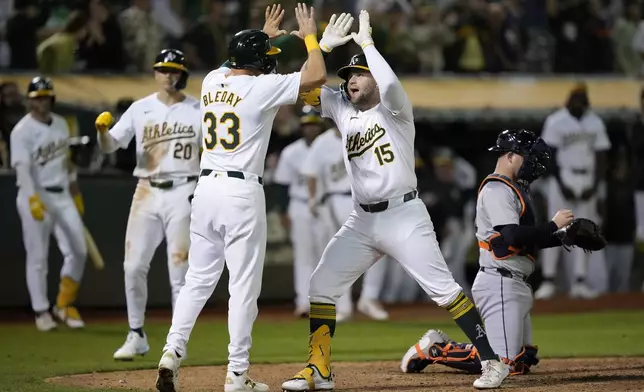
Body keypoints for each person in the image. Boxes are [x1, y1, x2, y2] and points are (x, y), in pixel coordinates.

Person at [282, 10, 510, 391]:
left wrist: (368, 45)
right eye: (348, 76)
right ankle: (319, 370)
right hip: (361, 220)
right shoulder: (341, 107)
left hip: (403, 215)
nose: (351, 80)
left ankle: (492, 361)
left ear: (373, 74)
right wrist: (318, 47)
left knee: (445, 291)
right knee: (321, 285)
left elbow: (389, 84)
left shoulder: (395, 109)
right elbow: (299, 89)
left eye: (359, 74)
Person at [154, 4, 328, 392]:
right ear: (258, 63)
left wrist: (269, 37)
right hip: (240, 192)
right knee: (243, 287)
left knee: (196, 281)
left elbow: (236, 59)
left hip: (205, 190)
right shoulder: (261, 87)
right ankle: (236, 374)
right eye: (266, 57)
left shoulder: (212, 81)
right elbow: (316, 74)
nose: (271, 62)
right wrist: (310, 36)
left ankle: (171, 352)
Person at [400, 129, 566, 379]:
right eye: (528, 157)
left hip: (515, 281)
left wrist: (563, 238)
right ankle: (435, 349)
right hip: (500, 281)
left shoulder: (514, 188)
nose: (533, 164)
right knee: (502, 362)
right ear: (510, 156)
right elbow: (510, 237)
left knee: (523, 360)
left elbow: (522, 242)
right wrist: (553, 226)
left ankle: (457, 349)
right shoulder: (497, 189)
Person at [94, 48, 201, 361]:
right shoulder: (140, 109)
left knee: (178, 270)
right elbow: (112, 145)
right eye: (163, 69)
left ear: (182, 74)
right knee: (133, 266)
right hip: (147, 190)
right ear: (155, 73)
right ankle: (136, 333)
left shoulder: (197, 109)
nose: (168, 75)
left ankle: (176, 342)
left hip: (184, 188)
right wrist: (102, 132)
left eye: (174, 69)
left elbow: (211, 150)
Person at [10, 76, 88, 331]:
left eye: (46, 97)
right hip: (36, 195)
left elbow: (67, 163)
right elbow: (22, 169)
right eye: (37, 98)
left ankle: (64, 304)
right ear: (30, 101)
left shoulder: (62, 124)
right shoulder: (21, 131)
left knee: (78, 250)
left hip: (62, 193)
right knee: (38, 257)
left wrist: (75, 192)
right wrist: (32, 198)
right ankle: (41, 310)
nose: (42, 102)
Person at [301, 117, 389, 321]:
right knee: (340, 252)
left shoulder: (368, 136)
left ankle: (369, 297)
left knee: (382, 246)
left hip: (367, 199)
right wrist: (313, 198)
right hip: (337, 199)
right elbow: (310, 173)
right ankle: (343, 306)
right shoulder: (323, 142)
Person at [535, 83, 611, 300]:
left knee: (584, 229)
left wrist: (595, 186)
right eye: (576, 98)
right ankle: (549, 280)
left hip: (587, 177)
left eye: (582, 98)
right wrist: (561, 184)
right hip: (564, 177)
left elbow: (601, 156)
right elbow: (549, 155)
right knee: (556, 227)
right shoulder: (556, 120)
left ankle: (580, 280)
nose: (579, 102)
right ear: (568, 99)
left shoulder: (594, 121)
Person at [273, 106, 327, 318]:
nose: (310, 129)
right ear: (302, 127)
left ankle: (325, 302)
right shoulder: (291, 152)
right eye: (307, 125)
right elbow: (281, 185)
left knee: (326, 256)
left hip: (323, 205)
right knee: (304, 257)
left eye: (314, 124)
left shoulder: (330, 147)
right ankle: (303, 303)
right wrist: (283, 212)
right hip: (299, 204)